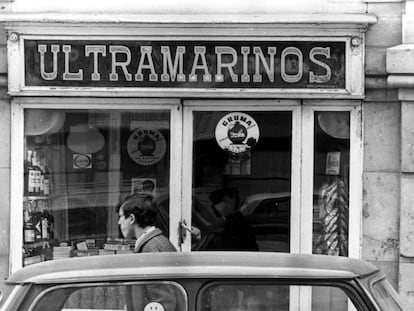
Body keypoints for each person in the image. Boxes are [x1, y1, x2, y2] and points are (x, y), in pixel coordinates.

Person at [206, 187, 259, 251]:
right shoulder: (229, 222)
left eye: (215, 203)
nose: (212, 207)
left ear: (228, 201)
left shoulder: (237, 225)